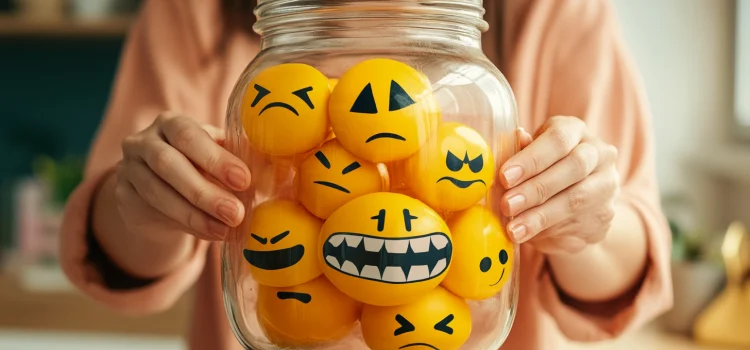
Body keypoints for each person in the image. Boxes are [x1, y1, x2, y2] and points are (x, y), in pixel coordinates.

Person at [59, 0, 673, 349]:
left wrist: (583, 214)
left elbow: (627, 265)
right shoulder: (197, 10)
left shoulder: (553, 10)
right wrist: (142, 199)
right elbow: (122, 257)